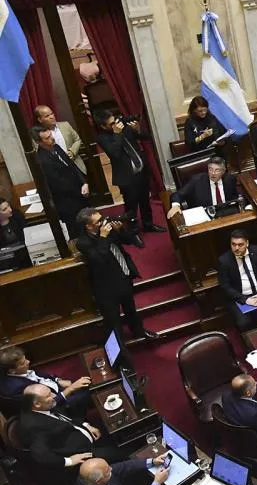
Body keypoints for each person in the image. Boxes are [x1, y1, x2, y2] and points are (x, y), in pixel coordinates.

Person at [75, 208, 159, 341]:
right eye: (98, 221)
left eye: (102, 218)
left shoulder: (108, 228)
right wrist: (103, 237)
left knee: (131, 309)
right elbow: (100, 259)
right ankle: (119, 348)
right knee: (113, 320)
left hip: (123, 274)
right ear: (88, 226)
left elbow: (129, 241)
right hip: (107, 285)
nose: (103, 222)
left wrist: (120, 230)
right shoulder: (83, 242)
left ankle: (139, 331)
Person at [19, 383, 125, 467]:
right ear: (37, 404)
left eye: (50, 392)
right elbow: (41, 456)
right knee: (123, 452)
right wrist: (69, 461)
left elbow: (65, 416)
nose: (54, 396)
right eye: (48, 396)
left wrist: (86, 425)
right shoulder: (33, 426)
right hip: (85, 452)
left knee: (120, 429)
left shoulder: (43, 405)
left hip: (85, 434)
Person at [94, 110, 163, 233]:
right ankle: (133, 230)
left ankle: (148, 224)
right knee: (131, 205)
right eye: (111, 124)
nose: (115, 124)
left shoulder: (124, 127)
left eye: (115, 121)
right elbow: (114, 153)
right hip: (126, 176)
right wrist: (117, 134)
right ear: (103, 126)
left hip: (141, 170)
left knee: (145, 201)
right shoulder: (102, 138)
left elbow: (146, 136)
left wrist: (138, 130)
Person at [33, 123, 90, 238]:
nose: (52, 138)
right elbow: (59, 184)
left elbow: (72, 166)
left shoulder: (56, 147)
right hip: (68, 201)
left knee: (89, 224)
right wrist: (80, 192)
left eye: (51, 134)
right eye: (47, 138)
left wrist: (84, 183)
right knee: (78, 232)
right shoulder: (42, 161)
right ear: (39, 142)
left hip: (79, 193)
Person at [0, 345, 91, 416]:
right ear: (12, 371)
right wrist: (70, 389)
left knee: (85, 381)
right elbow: (46, 406)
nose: (28, 362)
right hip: (57, 405)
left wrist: (57, 380)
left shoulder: (19, 371)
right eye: (23, 363)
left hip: (56, 389)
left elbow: (39, 375)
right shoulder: (17, 388)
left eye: (26, 359)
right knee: (88, 391)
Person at [217, 229, 257, 331]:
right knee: (243, 323)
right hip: (241, 296)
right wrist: (244, 299)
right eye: (233, 244)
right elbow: (225, 286)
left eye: (240, 245)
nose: (236, 248)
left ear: (247, 243)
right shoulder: (224, 261)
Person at [168, 156, 239, 217]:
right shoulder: (196, 181)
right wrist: (175, 206)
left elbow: (234, 199)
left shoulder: (230, 179)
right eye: (210, 169)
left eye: (217, 170)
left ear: (223, 171)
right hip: (205, 215)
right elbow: (177, 194)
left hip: (227, 214)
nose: (213, 173)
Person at [34, 105, 86, 172]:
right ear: (40, 120)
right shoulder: (39, 135)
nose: (52, 117)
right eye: (47, 116)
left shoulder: (65, 125)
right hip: (57, 171)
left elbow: (77, 140)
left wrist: (72, 152)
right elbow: (39, 154)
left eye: (52, 114)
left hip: (76, 165)